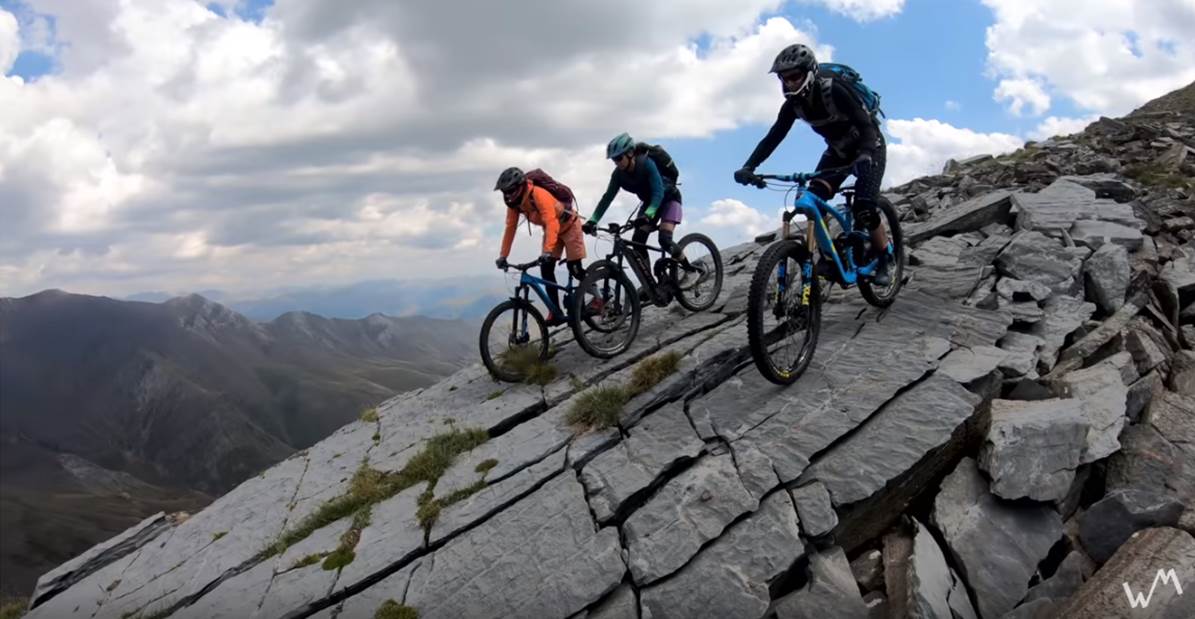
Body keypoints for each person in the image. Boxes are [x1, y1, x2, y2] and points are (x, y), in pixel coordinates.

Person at [733, 43, 891, 285]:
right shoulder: (792, 106)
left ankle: (884, 258)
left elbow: (866, 126)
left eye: (794, 77)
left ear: (809, 73)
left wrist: (866, 153)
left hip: (870, 147)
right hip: (838, 152)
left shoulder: (835, 89)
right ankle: (830, 256)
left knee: (865, 208)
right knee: (809, 201)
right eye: (784, 79)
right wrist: (749, 167)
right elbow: (773, 137)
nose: (789, 84)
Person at [582, 133, 691, 298]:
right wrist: (593, 220)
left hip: (669, 200)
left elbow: (658, 191)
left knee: (664, 239)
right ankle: (651, 285)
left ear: (630, 153)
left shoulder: (646, 164)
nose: (617, 162)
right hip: (650, 206)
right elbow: (607, 198)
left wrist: (649, 213)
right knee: (638, 242)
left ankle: (689, 270)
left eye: (619, 158)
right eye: (614, 160)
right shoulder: (618, 175)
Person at [494, 167, 595, 325]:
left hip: (569, 227)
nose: (508, 195)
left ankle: (597, 297)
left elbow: (551, 221)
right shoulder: (514, 204)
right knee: (546, 269)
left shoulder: (538, 194)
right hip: (551, 232)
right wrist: (503, 255)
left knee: (574, 268)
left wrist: (547, 251)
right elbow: (510, 228)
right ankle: (555, 311)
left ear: (520, 186)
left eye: (511, 190)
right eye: (505, 192)